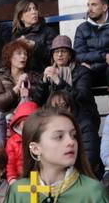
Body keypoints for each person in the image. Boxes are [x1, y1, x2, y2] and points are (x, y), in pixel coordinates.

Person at [39, 35, 100, 164]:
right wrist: (43, 82)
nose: (59, 55)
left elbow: (83, 96)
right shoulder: (49, 72)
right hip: (55, 117)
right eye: (56, 52)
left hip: (81, 115)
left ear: (70, 55)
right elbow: (38, 101)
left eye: (63, 51)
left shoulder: (82, 71)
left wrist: (59, 81)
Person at [9, 0, 57, 70]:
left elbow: (54, 56)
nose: (34, 12)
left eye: (35, 9)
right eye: (29, 10)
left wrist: (35, 46)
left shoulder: (48, 31)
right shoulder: (15, 35)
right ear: (21, 17)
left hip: (42, 73)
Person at [0, 39, 37, 114]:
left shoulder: (33, 76)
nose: (23, 56)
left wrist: (30, 91)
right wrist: (17, 87)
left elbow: (40, 99)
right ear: (10, 57)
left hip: (29, 115)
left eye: (25, 54)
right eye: (19, 53)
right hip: (7, 116)